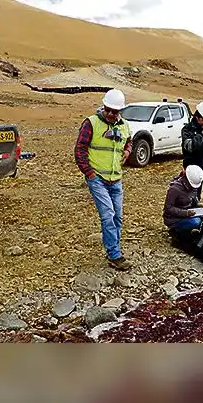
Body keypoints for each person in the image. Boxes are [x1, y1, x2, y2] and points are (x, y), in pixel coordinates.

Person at [75, 89, 133, 271]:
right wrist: (89, 173)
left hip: (116, 179)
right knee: (108, 216)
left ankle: (112, 248)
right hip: (97, 178)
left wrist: (127, 151)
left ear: (120, 112)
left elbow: (128, 141)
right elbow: (80, 149)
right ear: (103, 107)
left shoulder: (124, 126)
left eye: (114, 111)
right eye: (107, 110)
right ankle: (114, 255)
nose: (110, 114)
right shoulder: (91, 123)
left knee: (118, 218)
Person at [163, 165, 203, 232]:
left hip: (187, 213)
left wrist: (198, 205)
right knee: (196, 222)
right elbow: (168, 208)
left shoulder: (192, 186)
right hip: (174, 218)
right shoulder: (174, 189)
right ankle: (175, 231)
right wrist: (185, 213)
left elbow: (193, 198)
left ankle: (189, 231)